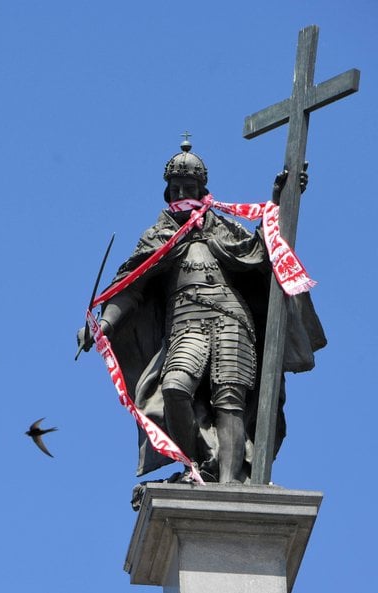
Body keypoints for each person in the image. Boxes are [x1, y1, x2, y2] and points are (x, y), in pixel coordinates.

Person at [78, 140, 326, 485]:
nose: (182, 193)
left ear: (201, 190)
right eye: (176, 188)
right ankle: (196, 466)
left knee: (230, 398)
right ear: (168, 193)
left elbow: (262, 248)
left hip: (232, 319)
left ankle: (230, 482)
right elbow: (131, 287)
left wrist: (281, 200)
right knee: (174, 388)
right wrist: (103, 325)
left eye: (189, 187)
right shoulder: (158, 236)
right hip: (185, 324)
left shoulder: (223, 228)